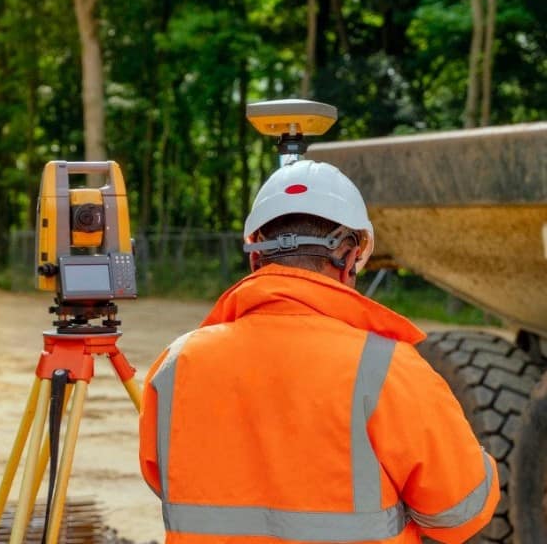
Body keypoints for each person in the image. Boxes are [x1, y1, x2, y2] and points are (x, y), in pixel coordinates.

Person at [139, 159, 499, 544]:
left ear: (256, 258)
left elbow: (166, 479)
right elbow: (460, 513)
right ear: (347, 256)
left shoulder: (177, 364)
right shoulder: (387, 369)